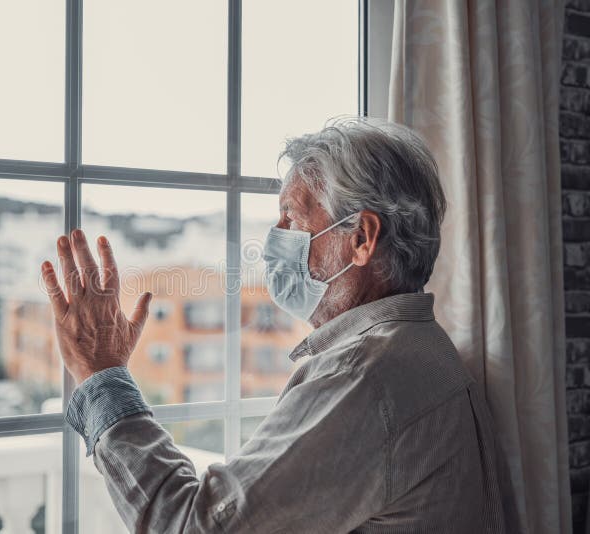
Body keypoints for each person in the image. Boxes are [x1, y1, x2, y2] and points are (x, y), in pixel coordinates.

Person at [40, 117, 520, 533]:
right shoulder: (420, 348)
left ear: (361, 238)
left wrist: (102, 377)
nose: (275, 241)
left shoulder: (366, 376)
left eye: (291, 218)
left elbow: (189, 526)